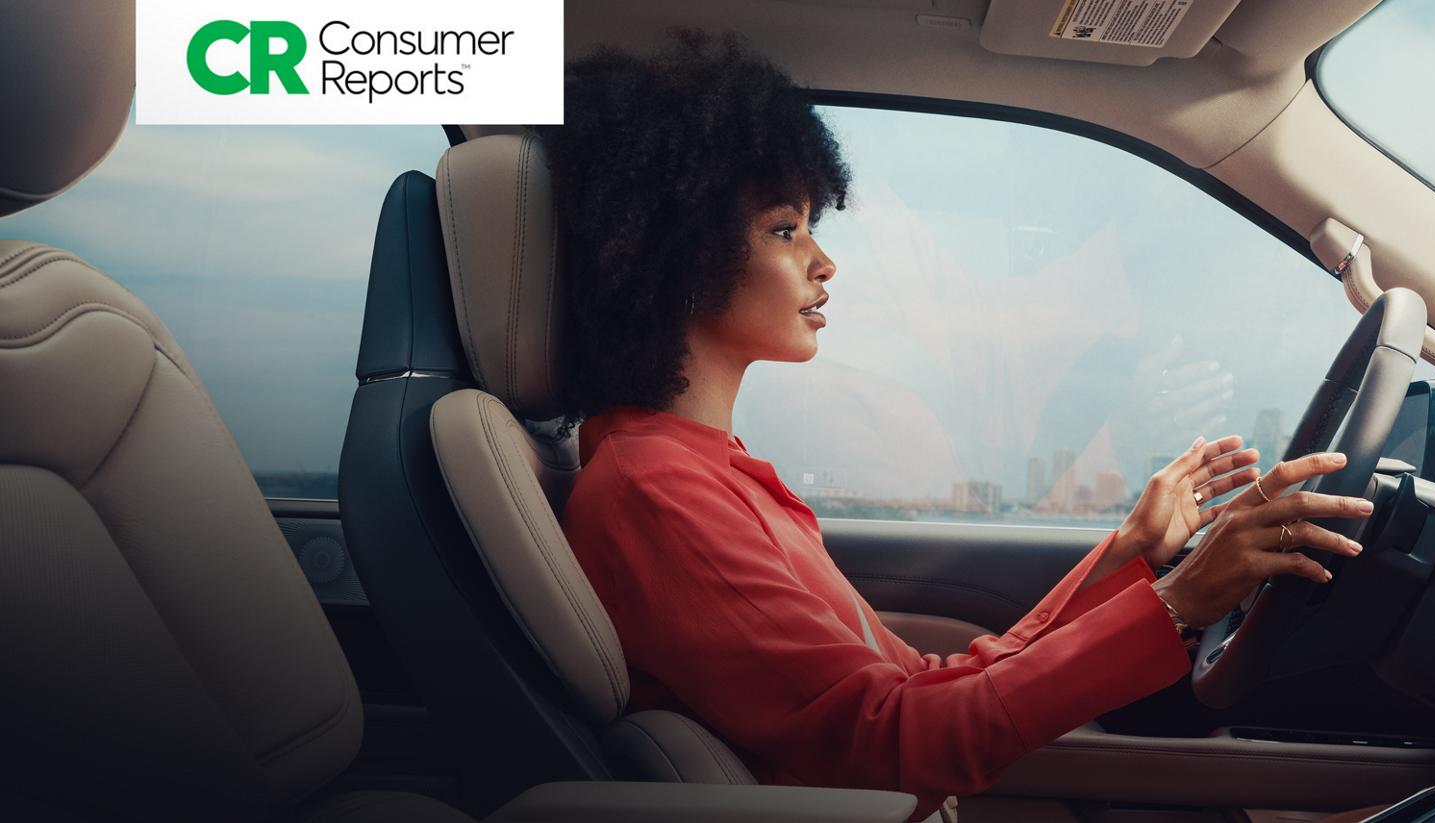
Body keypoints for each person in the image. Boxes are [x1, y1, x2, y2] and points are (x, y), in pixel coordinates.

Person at [546, 32, 1373, 820]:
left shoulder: (700, 469)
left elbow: (928, 682)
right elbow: (900, 735)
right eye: (784, 228)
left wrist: (1130, 553)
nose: (824, 262)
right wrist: (1179, 598)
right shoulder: (657, 493)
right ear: (677, 252)